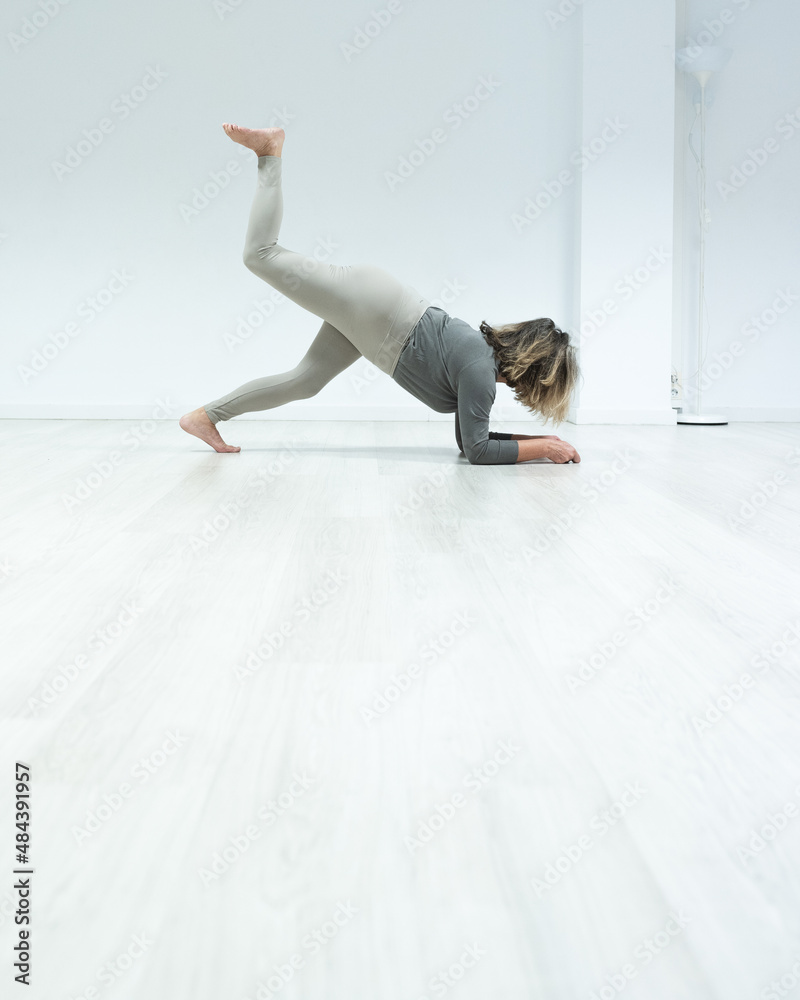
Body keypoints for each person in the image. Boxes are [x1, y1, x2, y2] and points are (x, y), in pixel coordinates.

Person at [180, 124, 581, 465]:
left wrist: (538, 446)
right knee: (260, 255)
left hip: (377, 321)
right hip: (378, 313)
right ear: (538, 376)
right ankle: (269, 153)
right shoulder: (480, 373)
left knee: (305, 381)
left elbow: (470, 440)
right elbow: (477, 452)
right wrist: (543, 446)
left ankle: (206, 417)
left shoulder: (481, 372)